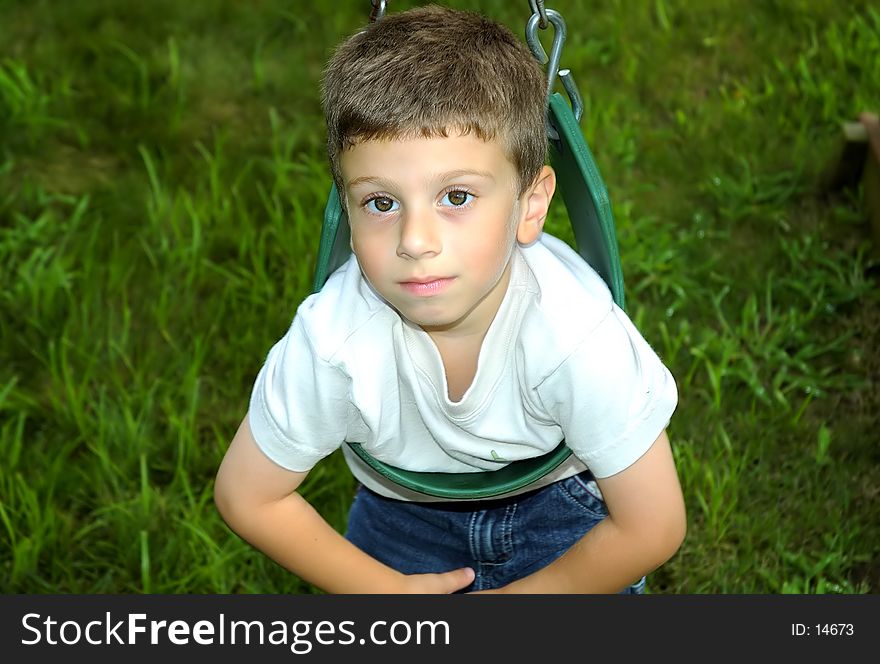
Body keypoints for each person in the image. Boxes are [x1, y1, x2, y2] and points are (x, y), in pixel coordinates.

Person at [214, 4, 686, 594]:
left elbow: (652, 525)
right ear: (347, 210)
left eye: (456, 196)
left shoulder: (575, 337)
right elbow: (246, 494)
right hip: (397, 522)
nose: (415, 241)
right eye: (381, 203)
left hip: (569, 519)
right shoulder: (336, 343)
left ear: (531, 205)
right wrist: (387, 593)